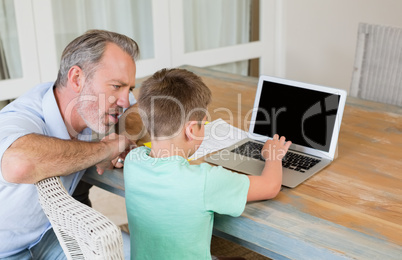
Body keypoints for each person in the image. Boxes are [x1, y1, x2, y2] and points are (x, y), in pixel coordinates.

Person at [0, 29, 140, 259]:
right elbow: (18, 163)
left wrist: (122, 135)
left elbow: (139, 108)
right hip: (5, 251)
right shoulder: (20, 117)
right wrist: (108, 148)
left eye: (129, 88)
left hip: (48, 234)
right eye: (116, 86)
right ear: (77, 79)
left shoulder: (82, 104)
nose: (124, 100)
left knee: (142, 254)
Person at [123, 68, 292, 260]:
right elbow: (270, 186)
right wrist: (274, 155)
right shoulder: (205, 180)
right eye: (204, 123)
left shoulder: (132, 161)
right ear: (192, 130)